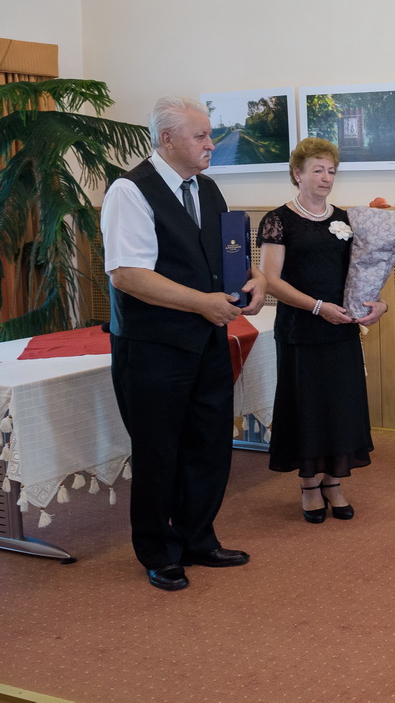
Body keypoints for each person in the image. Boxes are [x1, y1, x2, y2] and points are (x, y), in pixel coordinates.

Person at [101, 96, 266, 591]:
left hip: (209, 340)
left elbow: (225, 258)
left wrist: (255, 280)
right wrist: (202, 303)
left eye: (210, 134)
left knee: (208, 444)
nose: (211, 144)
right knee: (159, 452)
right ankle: (159, 551)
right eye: (201, 136)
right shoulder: (130, 192)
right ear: (167, 139)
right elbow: (128, 275)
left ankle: (198, 538)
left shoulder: (208, 188)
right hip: (154, 346)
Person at [258, 138, 387, 524]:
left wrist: (377, 304)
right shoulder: (278, 220)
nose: (326, 177)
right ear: (297, 174)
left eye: (331, 170)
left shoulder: (347, 219)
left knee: (341, 406)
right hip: (301, 329)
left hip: (341, 328)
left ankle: (334, 481)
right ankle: (309, 485)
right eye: (317, 170)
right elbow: (270, 280)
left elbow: (363, 273)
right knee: (307, 407)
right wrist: (317, 307)